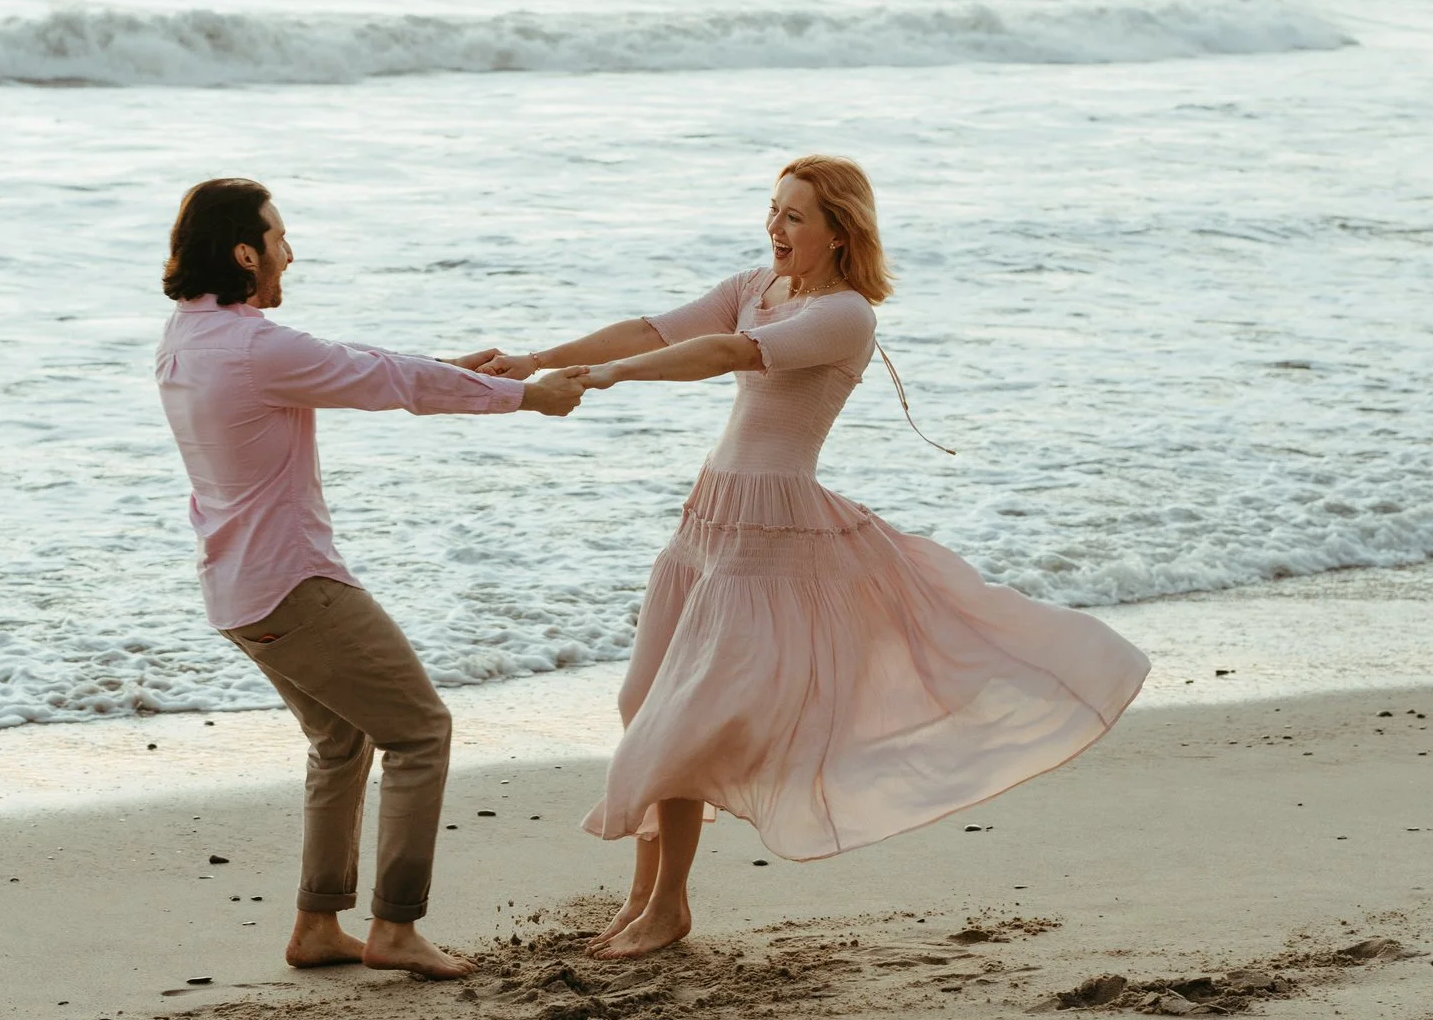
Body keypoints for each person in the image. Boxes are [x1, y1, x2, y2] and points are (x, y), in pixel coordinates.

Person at [480, 155, 1149, 960]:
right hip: (706, 523)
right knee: (641, 704)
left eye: (795, 217)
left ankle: (669, 907)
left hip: (770, 538)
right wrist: (534, 359)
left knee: (682, 718)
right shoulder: (756, 284)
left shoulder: (846, 316)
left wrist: (611, 376)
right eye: (772, 210)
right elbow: (656, 329)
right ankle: (640, 900)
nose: (775, 228)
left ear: (840, 231)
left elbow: (730, 352)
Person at [154, 177, 583, 979]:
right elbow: (382, 379)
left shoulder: (186, 338)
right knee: (420, 733)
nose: (289, 251)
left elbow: (366, 370)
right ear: (245, 252)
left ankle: (318, 925)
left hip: (236, 590)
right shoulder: (256, 347)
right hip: (294, 585)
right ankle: (395, 927)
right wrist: (525, 395)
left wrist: (453, 371)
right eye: (279, 237)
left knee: (338, 740)